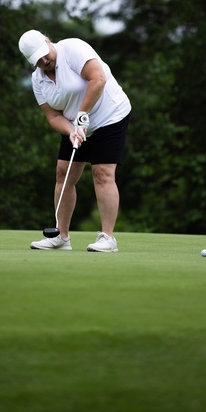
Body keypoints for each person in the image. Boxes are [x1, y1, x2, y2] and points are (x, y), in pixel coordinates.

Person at [19, 29, 131, 252]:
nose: (44, 60)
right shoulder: (38, 79)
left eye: (44, 54)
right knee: (63, 174)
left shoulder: (72, 49)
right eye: (37, 60)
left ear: (48, 41)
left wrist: (82, 114)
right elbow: (53, 117)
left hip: (109, 116)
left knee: (102, 173)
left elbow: (98, 79)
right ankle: (61, 237)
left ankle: (108, 238)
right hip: (76, 124)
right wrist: (71, 130)